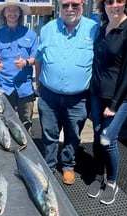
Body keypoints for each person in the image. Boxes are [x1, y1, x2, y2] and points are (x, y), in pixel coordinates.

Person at [35, 0, 99, 184]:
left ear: (83, 5)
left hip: (78, 98)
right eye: (65, 5)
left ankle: (68, 165)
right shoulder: (47, 29)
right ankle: (49, 164)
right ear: (59, 7)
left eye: (75, 4)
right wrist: (38, 82)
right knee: (49, 133)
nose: (70, 9)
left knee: (73, 134)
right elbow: (39, 58)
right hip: (49, 95)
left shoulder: (94, 29)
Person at [87, 0, 127, 204]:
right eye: (109, 1)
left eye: (119, 1)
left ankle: (112, 182)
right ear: (103, 4)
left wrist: (114, 104)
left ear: (126, 3)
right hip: (97, 94)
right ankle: (99, 175)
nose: (114, 5)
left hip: (120, 98)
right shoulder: (101, 27)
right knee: (98, 136)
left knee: (108, 139)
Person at [0, 0, 38, 134]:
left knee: (26, 123)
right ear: (4, 14)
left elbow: (36, 58)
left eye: (15, 10)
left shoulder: (31, 34)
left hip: (25, 88)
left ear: (20, 13)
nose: (12, 13)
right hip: (4, 87)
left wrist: (25, 63)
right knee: (3, 122)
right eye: (8, 10)